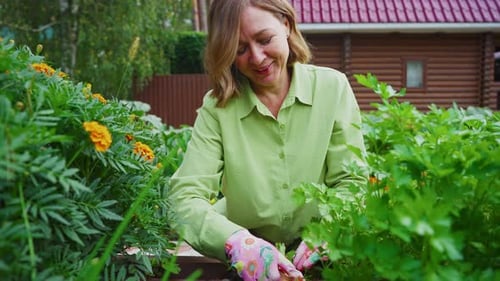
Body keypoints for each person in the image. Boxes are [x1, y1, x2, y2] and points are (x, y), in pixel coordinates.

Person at [169, 0, 368, 280]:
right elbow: (184, 199)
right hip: (249, 264)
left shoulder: (332, 88)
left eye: (264, 39)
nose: (257, 58)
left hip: (325, 259)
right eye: (239, 50)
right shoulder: (218, 108)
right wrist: (236, 242)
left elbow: (352, 181)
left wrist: (331, 230)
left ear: (286, 25)